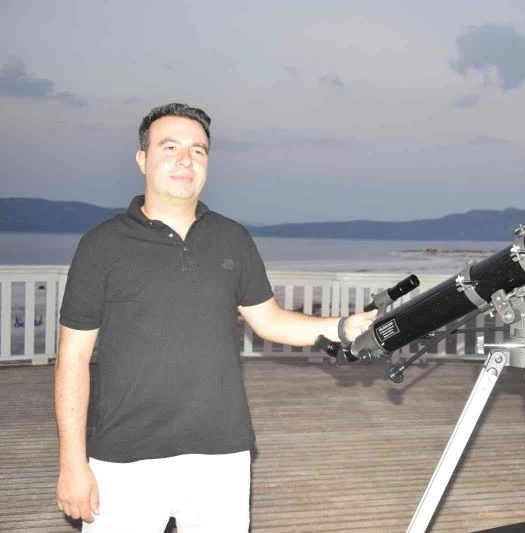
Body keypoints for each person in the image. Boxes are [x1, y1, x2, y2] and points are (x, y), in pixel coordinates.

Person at [54, 103, 377, 532]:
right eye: (170, 147)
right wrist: (72, 463)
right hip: (124, 458)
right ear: (142, 159)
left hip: (221, 455)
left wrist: (340, 327)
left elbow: (270, 320)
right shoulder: (101, 245)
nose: (185, 160)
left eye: (198, 150)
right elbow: (73, 358)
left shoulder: (232, 238)